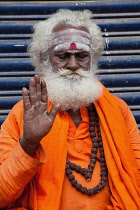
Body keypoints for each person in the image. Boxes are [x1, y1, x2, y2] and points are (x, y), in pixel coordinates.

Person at [0, 9, 140, 210]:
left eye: (82, 55)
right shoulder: (22, 114)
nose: (73, 65)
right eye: (63, 55)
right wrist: (29, 143)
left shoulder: (118, 110)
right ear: (45, 60)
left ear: (92, 59)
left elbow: (135, 181)